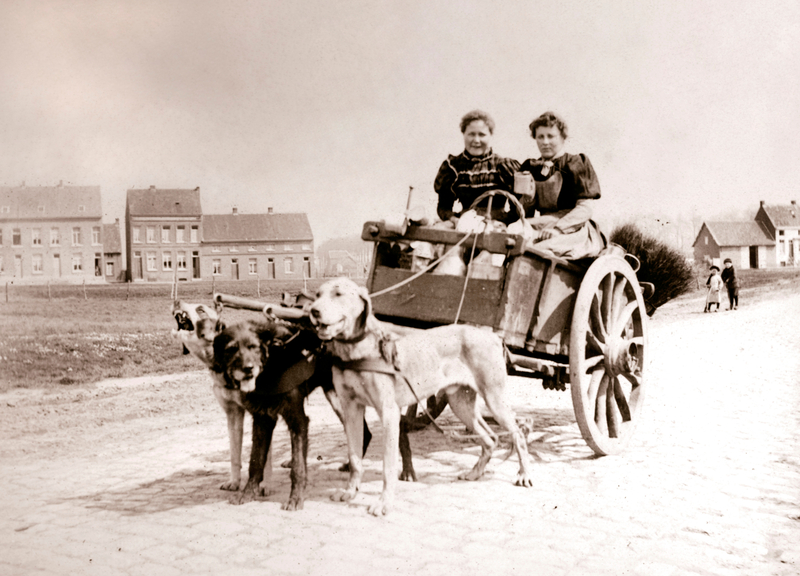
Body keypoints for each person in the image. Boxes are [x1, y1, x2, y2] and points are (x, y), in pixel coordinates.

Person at [518, 111, 605, 259]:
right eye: (540, 136)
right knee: (514, 233)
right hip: (543, 223)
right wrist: (528, 198)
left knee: (535, 249)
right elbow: (526, 214)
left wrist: (558, 229)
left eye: (551, 136)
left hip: (573, 228)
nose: (545, 142)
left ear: (563, 137)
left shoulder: (575, 163)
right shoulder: (531, 167)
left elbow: (585, 209)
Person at [434, 110, 520, 225]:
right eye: (471, 134)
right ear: (463, 134)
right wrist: (455, 220)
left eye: (482, 134)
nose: (476, 140)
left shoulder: (503, 166)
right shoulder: (453, 167)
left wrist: (500, 222)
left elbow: (518, 209)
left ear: (490, 135)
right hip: (465, 223)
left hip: (496, 224)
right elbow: (444, 207)